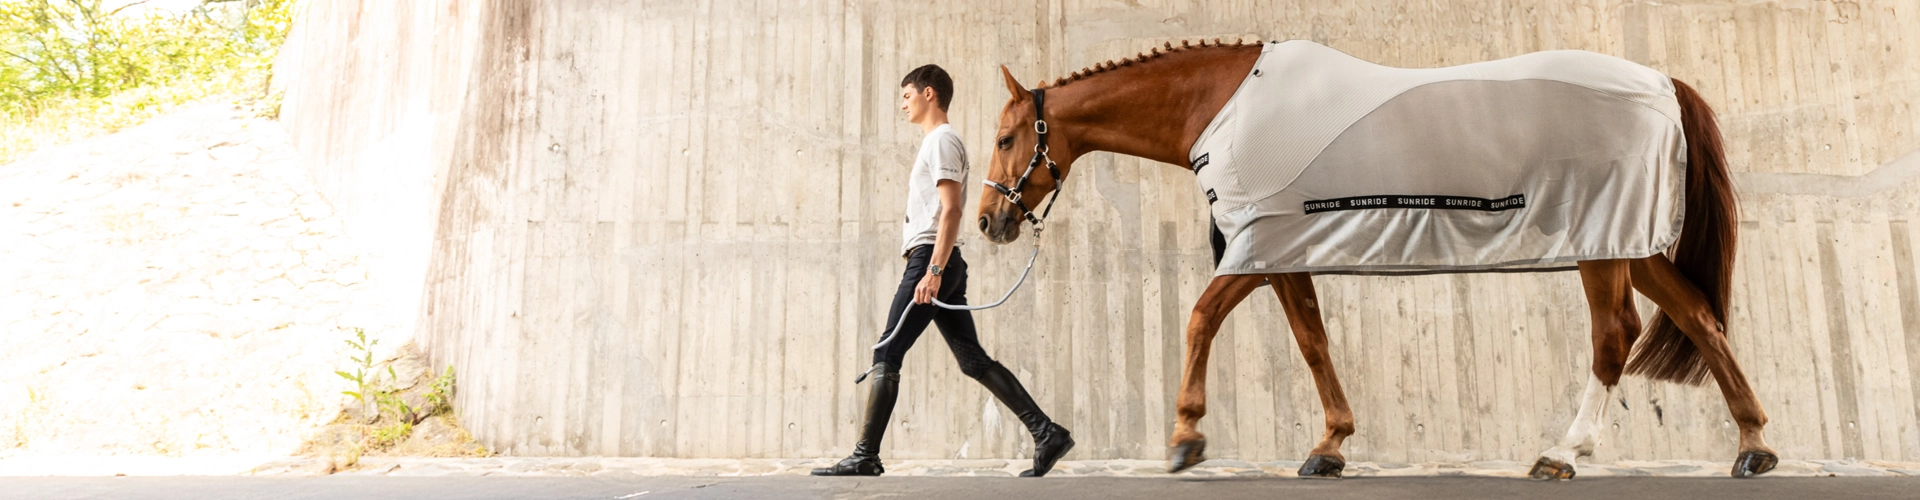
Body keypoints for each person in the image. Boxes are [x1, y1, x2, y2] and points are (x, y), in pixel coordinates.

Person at [812, 64, 1075, 477]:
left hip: (931, 260)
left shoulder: (942, 142)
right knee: (972, 360)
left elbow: (951, 210)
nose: (902, 104)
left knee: (887, 351)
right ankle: (1047, 433)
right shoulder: (937, 142)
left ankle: (865, 455)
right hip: (940, 261)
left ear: (929, 93)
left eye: (906, 96)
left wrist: (933, 270)